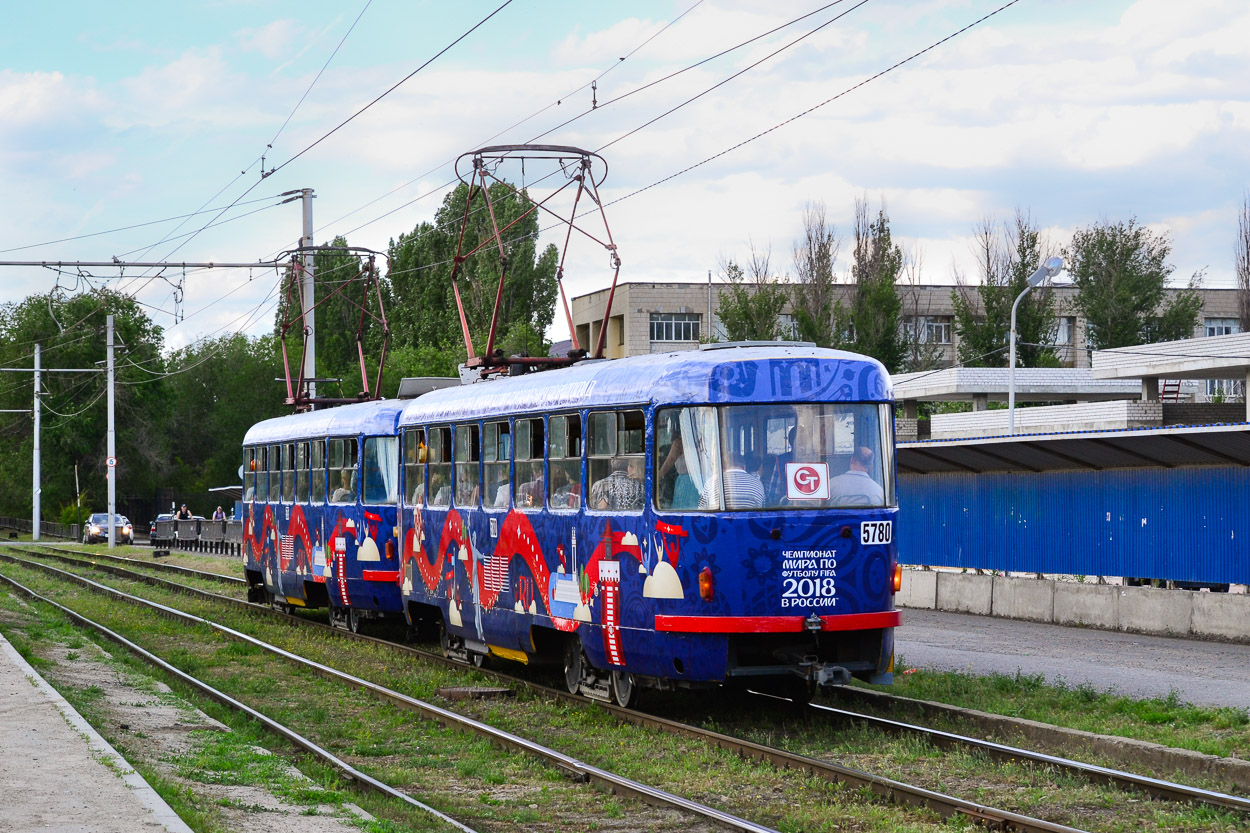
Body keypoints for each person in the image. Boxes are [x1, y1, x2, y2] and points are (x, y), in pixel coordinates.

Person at [699, 450, 764, 510]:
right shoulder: (758, 484)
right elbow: (762, 507)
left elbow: (701, 508)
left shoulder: (711, 482)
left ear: (723, 468)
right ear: (744, 467)